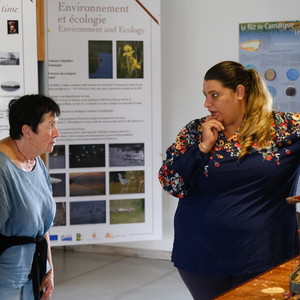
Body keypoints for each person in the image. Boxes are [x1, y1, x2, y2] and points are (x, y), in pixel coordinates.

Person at [158, 61, 300, 299]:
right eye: (205, 96)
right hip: (200, 252)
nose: (207, 103)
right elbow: (170, 182)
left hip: (264, 252)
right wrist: (203, 147)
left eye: (215, 95)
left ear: (239, 93)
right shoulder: (195, 131)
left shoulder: (285, 128)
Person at [0, 94, 60, 300]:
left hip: (36, 272)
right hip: (7, 278)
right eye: (50, 126)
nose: (57, 133)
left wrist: (49, 268)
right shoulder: (2, 168)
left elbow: (43, 226)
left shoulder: (36, 163)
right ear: (27, 131)